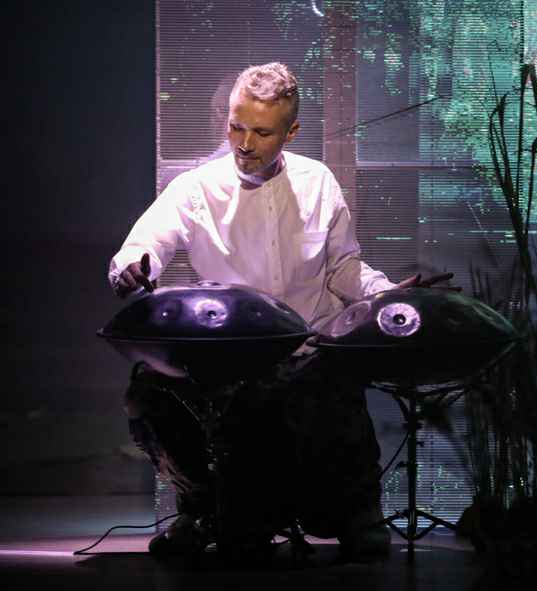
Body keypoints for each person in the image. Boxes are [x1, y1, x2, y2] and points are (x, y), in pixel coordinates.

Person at [108, 62, 452, 561]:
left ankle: (355, 514)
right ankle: (204, 510)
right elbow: (144, 245)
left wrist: (386, 294)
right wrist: (132, 268)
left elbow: (342, 269)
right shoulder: (194, 188)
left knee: (330, 382)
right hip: (228, 355)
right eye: (236, 127)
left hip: (305, 346)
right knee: (150, 392)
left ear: (291, 132)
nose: (244, 144)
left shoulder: (318, 183)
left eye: (262, 132)